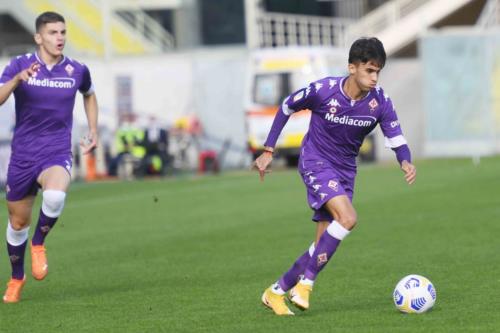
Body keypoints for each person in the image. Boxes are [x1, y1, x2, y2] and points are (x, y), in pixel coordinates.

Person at [254, 37, 416, 315]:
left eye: (378, 71)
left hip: (345, 170)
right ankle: (305, 285)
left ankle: (275, 292)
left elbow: (396, 136)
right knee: (348, 218)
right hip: (315, 161)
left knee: (322, 244)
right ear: (352, 68)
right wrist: (268, 149)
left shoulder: (380, 102)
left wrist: (406, 161)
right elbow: (286, 107)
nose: (375, 77)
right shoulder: (324, 90)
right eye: (369, 70)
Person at [0, 11, 98, 303]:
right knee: (17, 224)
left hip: (55, 151)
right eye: (53, 33)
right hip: (23, 156)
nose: (60, 38)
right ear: (38, 37)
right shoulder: (20, 65)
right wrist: (17, 79)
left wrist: (93, 129)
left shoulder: (77, 70)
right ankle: (17, 277)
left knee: (55, 197)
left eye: (63, 32)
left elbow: (90, 94)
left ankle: (39, 244)